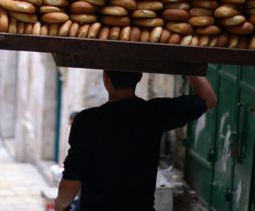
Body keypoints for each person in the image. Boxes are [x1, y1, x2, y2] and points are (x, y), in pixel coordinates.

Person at [55, 70, 217, 211]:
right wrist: (189, 65)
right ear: (139, 77)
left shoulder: (87, 121)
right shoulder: (154, 114)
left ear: (106, 79)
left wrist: (60, 205)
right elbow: (209, 100)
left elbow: (71, 181)